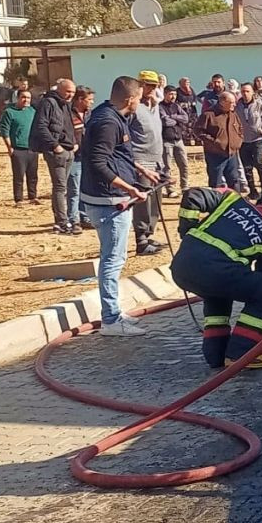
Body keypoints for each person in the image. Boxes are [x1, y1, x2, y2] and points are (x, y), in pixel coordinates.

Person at [171, 188, 262, 369]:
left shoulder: (231, 200)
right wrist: (259, 337)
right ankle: (241, 352)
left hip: (181, 266)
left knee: (218, 294)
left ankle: (216, 354)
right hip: (217, 271)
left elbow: (193, 196)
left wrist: (186, 231)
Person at [81, 75, 157, 337]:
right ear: (130, 99)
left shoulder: (112, 115)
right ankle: (111, 320)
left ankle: (114, 312)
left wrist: (140, 170)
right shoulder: (106, 122)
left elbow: (117, 154)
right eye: (139, 98)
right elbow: (98, 163)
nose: (141, 102)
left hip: (114, 197)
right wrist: (131, 189)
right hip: (109, 201)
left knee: (116, 257)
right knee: (112, 259)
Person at [28, 78, 78, 233]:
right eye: (68, 91)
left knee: (65, 188)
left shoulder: (66, 104)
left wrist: (74, 142)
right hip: (57, 152)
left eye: (73, 92)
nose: (70, 95)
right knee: (60, 188)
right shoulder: (48, 103)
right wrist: (55, 146)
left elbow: (69, 125)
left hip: (69, 151)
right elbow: (41, 126)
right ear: (59, 89)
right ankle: (62, 223)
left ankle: (63, 220)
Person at [129, 70, 166, 256]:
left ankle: (149, 233)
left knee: (155, 201)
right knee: (143, 201)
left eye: (154, 85)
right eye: (148, 85)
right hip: (141, 161)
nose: (152, 89)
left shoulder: (156, 107)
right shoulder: (134, 108)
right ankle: (141, 240)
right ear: (140, 86)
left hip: (157, 161)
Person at [235, 82, 262, 198]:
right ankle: (252, 190)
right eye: (243, 91)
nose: (245, 94)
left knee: (258, 162)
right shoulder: (236, 106)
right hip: (243, 141)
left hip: (257, 139)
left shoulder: (259, 105)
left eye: (247, 91)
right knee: (246, 166)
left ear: (252, 92)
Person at [0, 89, 38, 208]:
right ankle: (19, 199)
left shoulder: (32, 111)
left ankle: (33, 197)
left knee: (33, 175)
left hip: (32, 148)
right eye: (23, 97)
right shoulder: (9, 112)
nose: (26, 100)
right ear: (18, 98)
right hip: (18, 149)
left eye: (28, 98)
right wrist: (10, 148)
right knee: (19, 175)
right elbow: (4, 131)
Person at [196, 91, 243, 188]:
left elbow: (240, 128)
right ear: (222, 102)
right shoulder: (208, 115)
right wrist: (214, 142)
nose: (234, 105)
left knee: (234, 182)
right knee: (216, 182)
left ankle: (235, 202)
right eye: (231, 102)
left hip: (231, 154)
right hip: (215, 155)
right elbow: (198, 131)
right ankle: (217, 202)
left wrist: (238, 140)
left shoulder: (233, 114)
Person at [66, 86, 95, 230]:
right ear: (80, 99)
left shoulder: (90, 114)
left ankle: (84, 216)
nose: (92, 102)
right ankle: (73, 219)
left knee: (85, 188)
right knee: (74, 189)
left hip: (88, 156)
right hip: (74, 157)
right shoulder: (67, 113)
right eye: (89, 100)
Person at [159, 85, 190, 197]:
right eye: (171, 94)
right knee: (167, 166)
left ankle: (185, 187)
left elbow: (186, 118)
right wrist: (176, 119)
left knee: (184, 164)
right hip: (166, 141)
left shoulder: (176, 106)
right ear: (165, 94)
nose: (173, 96)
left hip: (179, 140)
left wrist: (173, 117)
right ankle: (170, 189)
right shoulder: (160, 107)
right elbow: (166, 122)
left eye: (175, 94)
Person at [175, 77, 198, 145]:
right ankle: (185, 140)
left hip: (192, 111)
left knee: (193, 125)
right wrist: (181, 105)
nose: (187, 84)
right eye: (185, 82)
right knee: (183, 126)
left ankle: (194, 139)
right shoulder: (177, 91)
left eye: (188, 82)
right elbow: (175, 101)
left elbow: (195, 98)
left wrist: (194, 102)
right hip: (182, 111)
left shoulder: (191, 90)